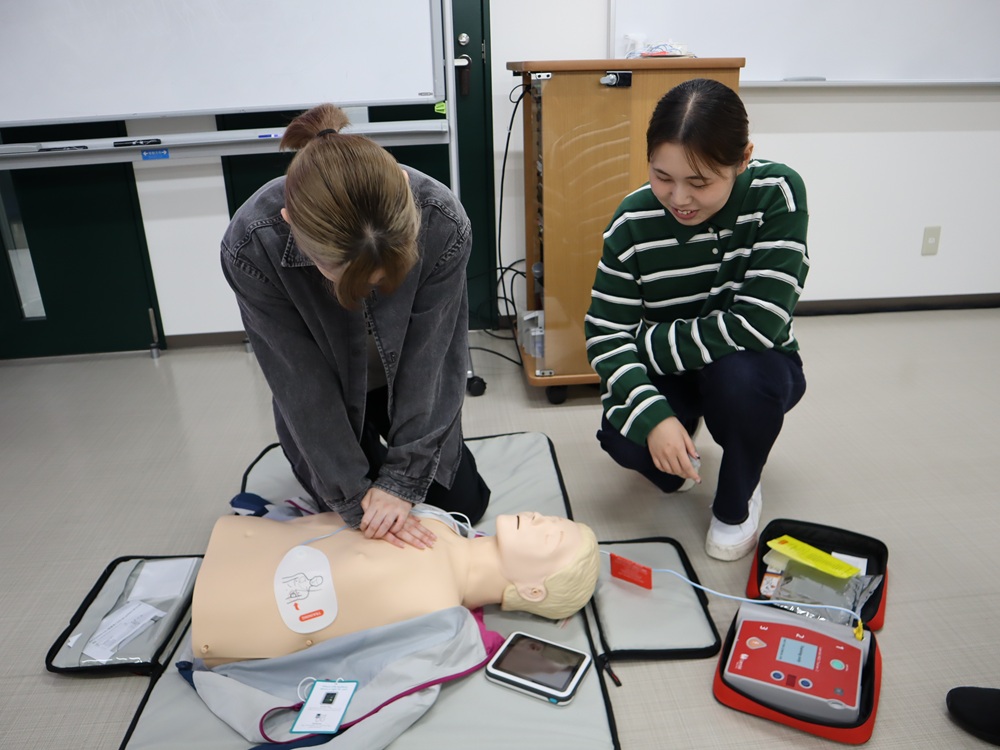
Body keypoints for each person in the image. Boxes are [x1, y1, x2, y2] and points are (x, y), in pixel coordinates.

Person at [221, 104, 490, 551]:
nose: (370, 289)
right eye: (342, 274)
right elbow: (300, 383)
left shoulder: (441, 218)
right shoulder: (252, 244)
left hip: (409, 379)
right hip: (328, 389)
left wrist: (401, 483)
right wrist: (353, 494)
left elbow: (433, 360)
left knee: (461, 502)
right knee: (358, 521)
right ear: (290, 223)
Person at [584, 78, 809, 561]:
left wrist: (647, 344)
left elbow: (760, 322)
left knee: (741, 385)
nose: (679, 198)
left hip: (753, 363)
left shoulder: (777, 193)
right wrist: (655, 417)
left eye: (701, 182)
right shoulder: (631, 222)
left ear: (743, 159)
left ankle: (739, 494)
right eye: (662, 176)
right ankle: (684, 437)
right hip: (676, 369)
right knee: (623, 440)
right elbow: (605, 335)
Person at [191, 510, 600, 666]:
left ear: (532, 591)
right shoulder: (442, 524)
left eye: (550, 536)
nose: (539, 518)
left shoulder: (436, 614)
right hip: (239, 539)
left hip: (221, 614)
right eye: (552, 518)